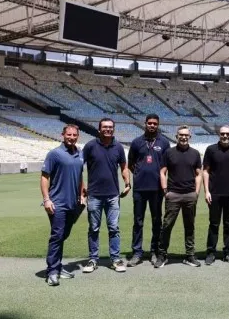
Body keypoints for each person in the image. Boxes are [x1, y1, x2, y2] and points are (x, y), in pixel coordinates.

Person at [82, 118, 130, 273]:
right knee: (94, 228)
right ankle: (93, 259)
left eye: (110, 127)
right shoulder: (90, 146)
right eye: (105, 127)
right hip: (94, 195)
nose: (108, 129)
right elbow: (78, 167)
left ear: (113, 129)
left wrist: (127, 183)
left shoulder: (119, 147)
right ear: (99, 129)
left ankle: (115, 259)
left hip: (113, 195)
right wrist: (82, 188)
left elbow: (124, 167)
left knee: (114, 228)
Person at [41, 124, 85, 286]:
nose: (72, 137)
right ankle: (52, 271)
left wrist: (81, 193)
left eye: (74, 135)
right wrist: (46, 199)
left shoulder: (80, 154)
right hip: (57, 203)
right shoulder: (54, 154)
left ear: (77, 136)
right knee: (57, 236)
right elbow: (45, 177)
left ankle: (57, 266)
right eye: (69, 135)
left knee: (63, 236)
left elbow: (79, 175)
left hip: (73, 204)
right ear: (63, 135)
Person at [154, 125, 202, 268]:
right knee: (167, 225)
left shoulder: (195, 153)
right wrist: (165, 190)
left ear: (190, 137)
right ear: (176, 137)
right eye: (181, 135)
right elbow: (162, 172)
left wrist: (196, 192)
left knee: (190, 226)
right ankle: (162, 255)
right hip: (173, 195)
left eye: (186, 135)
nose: (183, 137)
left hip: (189, 195)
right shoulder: (169, 152)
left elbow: (199, 174)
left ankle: (190, 255)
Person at [126, 114, 171, 267]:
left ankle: (154, 251)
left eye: (155, 123)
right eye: (149, 123)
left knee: (156, 221)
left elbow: (166, 165)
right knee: (138, 221)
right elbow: (130, 163)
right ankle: (137, 252)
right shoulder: (136, 142)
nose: (152, 125)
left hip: (157, 188)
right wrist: (139, 174)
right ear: (145, 124)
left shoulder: (164, 142)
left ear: (158, 125)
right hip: (140, 188)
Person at [203, 125, 229, 265]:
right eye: (222, 134)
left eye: (227, 134)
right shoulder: (211, 150)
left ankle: (228, 252)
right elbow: (206, 171)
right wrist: (207, 191)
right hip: (214, 193)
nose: (225, 136)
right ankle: (211, 253)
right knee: (214, 224)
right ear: (218, 134)